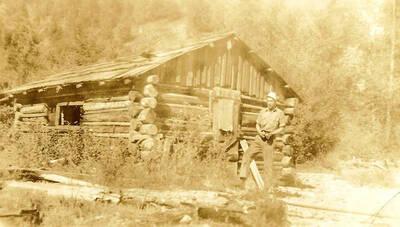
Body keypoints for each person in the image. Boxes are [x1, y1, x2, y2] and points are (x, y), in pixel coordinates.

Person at [239, 92, 286, 190]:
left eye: (271, 101)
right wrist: (259, 131)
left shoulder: (280, 113)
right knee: (247, 155)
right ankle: (243, 180)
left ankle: (266, 188)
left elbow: (282, 128)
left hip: (270, 140)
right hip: (259, 138)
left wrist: (272, 133)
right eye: (268, 100)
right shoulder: (262, 112)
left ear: (275, 102)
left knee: (268, 165)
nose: (269, 103)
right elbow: (257, 124)